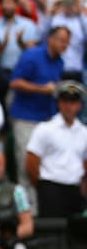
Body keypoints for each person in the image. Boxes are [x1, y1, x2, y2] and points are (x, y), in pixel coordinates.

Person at [8, 25, 70, 209]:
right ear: (50, 38)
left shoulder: (60, 62)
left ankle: (42, 209)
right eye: (61, 40)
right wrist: (42, 89)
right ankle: (26, 212)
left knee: (45, 168)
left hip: (47, 119)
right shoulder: (32, 55)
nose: (64, 45)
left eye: (67, 42)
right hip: (26, 117)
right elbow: (15, 82)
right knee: (26, 167)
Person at [24, 81, 87, 219]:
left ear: (79, 105)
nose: (69, 106)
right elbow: (31, 163)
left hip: (74, 189)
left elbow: (85, 162)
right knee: (51, 233)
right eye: (65, 102)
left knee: (76, 235)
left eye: (73, 102)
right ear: (59, 103)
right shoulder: (45, 129)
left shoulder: (84, 132)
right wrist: (42, 186)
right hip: (51, 188)